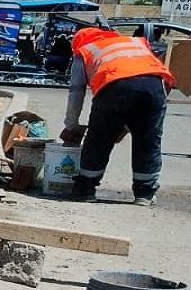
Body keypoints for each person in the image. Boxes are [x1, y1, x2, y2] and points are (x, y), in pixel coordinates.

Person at [61, 24, 173, 206]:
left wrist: (71, 125)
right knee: (148, 140)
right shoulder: (134, 42)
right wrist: (132, 123)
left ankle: (85, 189)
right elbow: (154, 77)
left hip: (115, 85)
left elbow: (76, 92)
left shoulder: (85, 51)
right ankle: (144, 194)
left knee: (99, 138)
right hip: (155, 87)